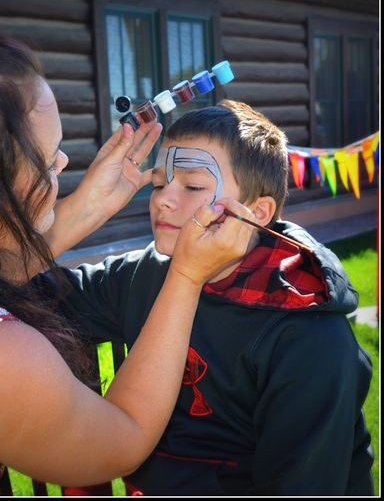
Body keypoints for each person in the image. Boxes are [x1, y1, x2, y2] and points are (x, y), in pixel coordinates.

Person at [0, 26, 256, 496]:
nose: (65, 163)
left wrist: (91, 204)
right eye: (49, 161)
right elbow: (123, 437)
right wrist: (187, 275)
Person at [47, 102, 374, 495]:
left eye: (193, 186)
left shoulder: (308, 334)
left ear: (256, 212)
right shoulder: (140, 276)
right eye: (158, 183)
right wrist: (84, 208)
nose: (162, 200)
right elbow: (11, 293)